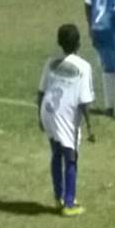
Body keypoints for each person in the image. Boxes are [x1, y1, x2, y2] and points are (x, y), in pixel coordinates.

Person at [38, 24, 95, 217]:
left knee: (56, 152)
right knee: (71, 158)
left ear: (59, 43)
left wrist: (39, 116)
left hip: (48, 111)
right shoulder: (84, 67)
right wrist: (89, 127)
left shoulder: (51, 62)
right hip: (65, 116)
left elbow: (41, 91)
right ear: (79, 43)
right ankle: (69, 204)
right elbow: (85, 102)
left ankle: (58, 197)